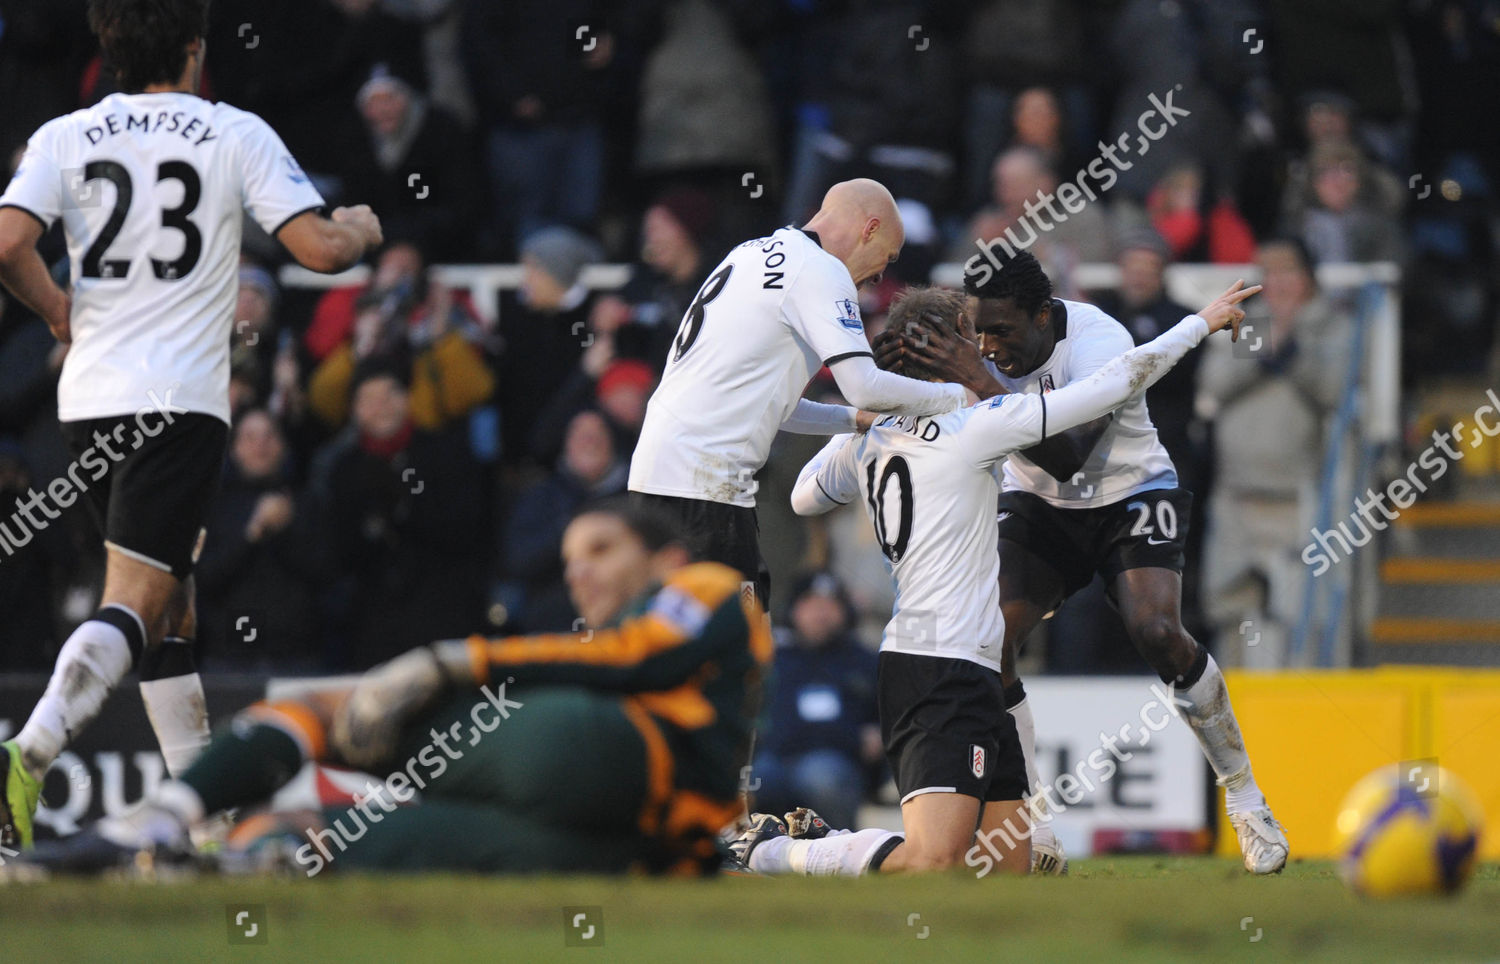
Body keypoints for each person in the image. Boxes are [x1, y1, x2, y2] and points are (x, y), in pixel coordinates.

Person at [0, 0, 382, 850]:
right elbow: (316, 249)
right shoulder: (229, 131)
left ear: (108, 48)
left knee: (172, 607)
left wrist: (59, 309)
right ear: (197, 49)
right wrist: (359, 226)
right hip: (176, 403)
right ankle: (29, 749)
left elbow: (6, 242)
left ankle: (205, 818)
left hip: (89, 401)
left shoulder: (67, 133)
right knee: (138, 600)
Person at [733, 278, 1256, 878]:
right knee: (935, 861)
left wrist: (865, 420)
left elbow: (803, 498)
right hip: (932, 666)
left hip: (973, 667)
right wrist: (1200, 323)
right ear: (951, 351)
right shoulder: (979, 425)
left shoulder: (873, 437)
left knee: (1008, 874)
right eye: (970, 339)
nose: (983, 349)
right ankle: (775, 851)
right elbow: (1117, 382)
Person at [24, 499, 772, 877]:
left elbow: (637, 659)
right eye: (571, 559)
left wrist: (463, 658)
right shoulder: (619, 637)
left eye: (603, 550)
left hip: (611, 757)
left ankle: (159, 819)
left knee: (324, 710)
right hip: (629, 850)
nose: (579, 572)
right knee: (321, 840)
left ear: (666, 555)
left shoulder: (705, 585)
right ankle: (190, 862)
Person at [881, 251, 1289, 875]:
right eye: (980, 332)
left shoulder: (1099, 338)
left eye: (1004, 332)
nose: (989, 347)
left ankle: (1245, 796)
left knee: (1157, 633)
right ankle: (1033, 822)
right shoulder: (977, 344)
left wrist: (979, 380)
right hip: (1038, 503)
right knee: (991, 639)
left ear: (1044, 315)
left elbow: (1069, 453)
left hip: (1130, 491)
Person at [628, 178, 993, 607]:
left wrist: (852, 421)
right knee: (736, 644)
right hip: (702, 489)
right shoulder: (820, 270)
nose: (880, 274)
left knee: (681, 639)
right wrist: (958, 397)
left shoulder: (749, 254)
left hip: (660, 477)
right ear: (869, 228)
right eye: (887, 256)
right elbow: (862, 385)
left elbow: (769, 405)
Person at [751, 571, 880, 832]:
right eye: (810, 604)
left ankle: (838, 854)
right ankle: (757, 854)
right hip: (775, 756)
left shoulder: (865, 660)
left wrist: (880, 736)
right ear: (794, 609)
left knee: (820, 777)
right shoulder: (772, 656)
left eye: (830, 605)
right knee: (755, 780)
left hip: (837, 760)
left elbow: (887, 718)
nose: (820, 614)